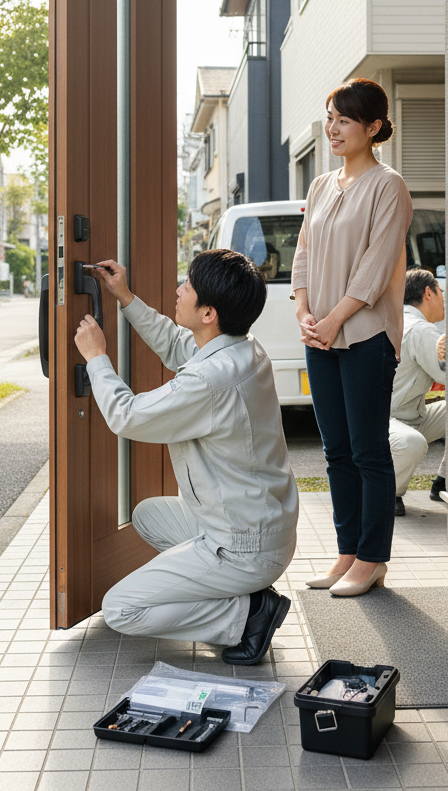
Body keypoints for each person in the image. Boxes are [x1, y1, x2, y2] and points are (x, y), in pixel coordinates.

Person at [73, 248, 299, 666]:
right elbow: (179, 345)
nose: (179, 290)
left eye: (188, 287)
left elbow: (128, 416)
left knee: (122, 608)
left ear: (209, 312)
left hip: (243, 544)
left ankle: (247, 615)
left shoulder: (213, 379)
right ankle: (239, 592)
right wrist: (124, 296)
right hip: (257, 523)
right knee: (146, 515)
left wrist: (96, 358)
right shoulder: (241, 348)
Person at [293, 78, 413, 597]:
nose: (333, 127)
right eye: (330, 116)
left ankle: (372, 559)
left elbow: (375, 266)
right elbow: (302, 253)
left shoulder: (389, 186)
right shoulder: (321, 185)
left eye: (344, 119)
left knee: (368, 451)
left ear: (374, 127)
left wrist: (335, 317)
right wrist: (303, 310)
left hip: (364, 334)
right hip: (320, 333)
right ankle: (347, 552)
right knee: (335, 450)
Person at [390, 269, 448, 516]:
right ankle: (386, 494)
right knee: (411, 444)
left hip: (410, 416)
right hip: (390, 422)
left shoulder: (398, 320)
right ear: (428, 292)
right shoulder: (420, 329)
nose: (444, 298)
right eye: (441, 292)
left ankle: (445, 479)